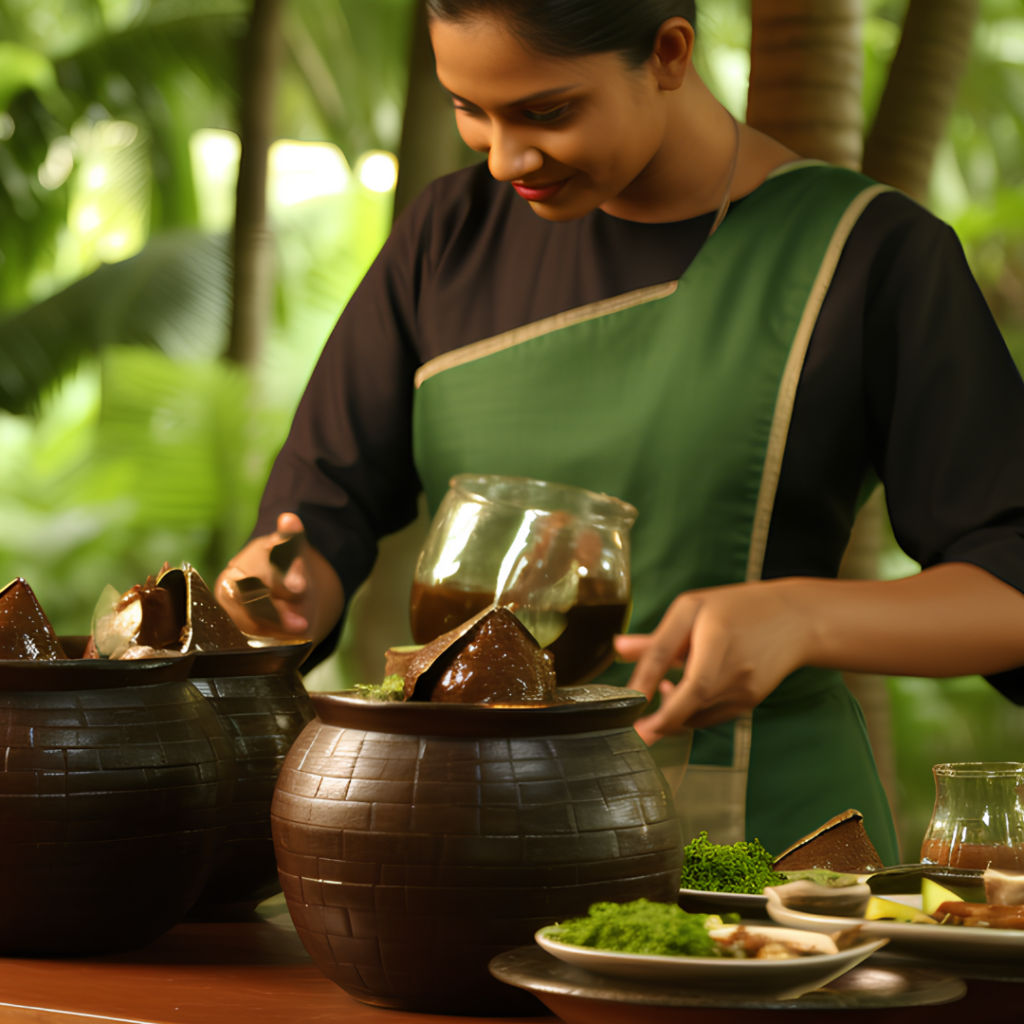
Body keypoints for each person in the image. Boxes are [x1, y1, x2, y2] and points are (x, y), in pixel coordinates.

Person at [216, 0, 1024, 860]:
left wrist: (805, 618)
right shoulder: (444, 239)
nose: (504, 158)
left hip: (770, 855)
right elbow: (318, 522)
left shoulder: (865, 254)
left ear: (670, 52)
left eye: (548, 111)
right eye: (470, 108)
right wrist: (284, 591)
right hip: (464, 840)